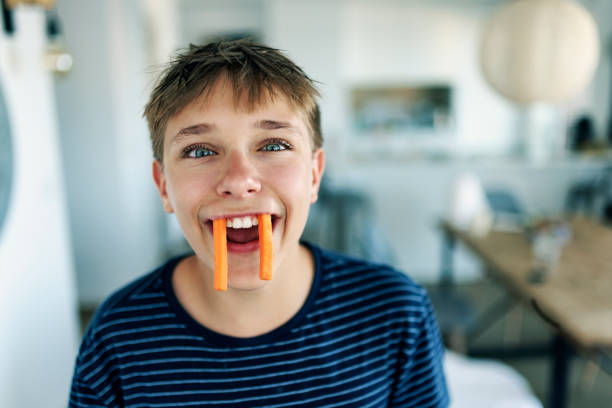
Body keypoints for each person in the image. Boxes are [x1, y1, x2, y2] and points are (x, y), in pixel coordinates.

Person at [69, 40, 449, 407]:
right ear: (164, 186)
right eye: (199, 151)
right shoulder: (116, 337)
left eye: (273, 145)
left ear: (314, 176)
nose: (238, 179)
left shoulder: (396, 312)